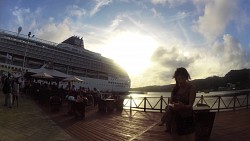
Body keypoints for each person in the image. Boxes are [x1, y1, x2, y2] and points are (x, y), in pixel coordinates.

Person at [169, 67, 196, 141]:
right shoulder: (174, 89)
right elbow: (170, 103)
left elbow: (190, 106)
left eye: (182, 78)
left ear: (186, 77)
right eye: (178, 78)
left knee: (189, 137)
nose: (180, 80)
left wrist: (183, 106)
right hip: (175, 118)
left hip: (187, 118)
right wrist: (172, 106)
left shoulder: (191, 88)